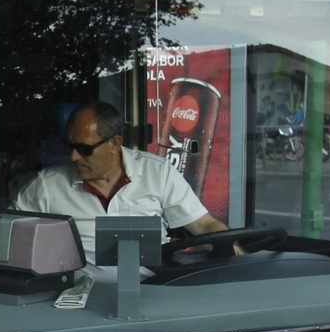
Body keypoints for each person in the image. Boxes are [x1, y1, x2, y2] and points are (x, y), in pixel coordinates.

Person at [13, 101, 230, 263]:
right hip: (80, 295)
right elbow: (6, 234)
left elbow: (203, 224)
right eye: (70, 147)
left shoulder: (157, 172)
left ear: (115, 144)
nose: (74, 157)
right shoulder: (48, 186)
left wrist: (232, 251)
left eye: (85, 149)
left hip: (155, 287)